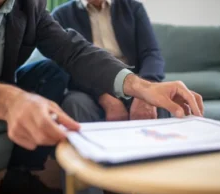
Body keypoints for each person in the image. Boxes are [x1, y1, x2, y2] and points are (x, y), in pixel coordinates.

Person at [0, 1, 203, 194]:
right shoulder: (64, 10)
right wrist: (5, 99)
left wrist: (143, 87)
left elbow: (73, 51)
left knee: (52, 70)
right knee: (74, 103)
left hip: (120, 79)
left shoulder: (32, 6)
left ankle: (20, 176)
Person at [28, 0, 170, 122]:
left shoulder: (133, 8)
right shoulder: (61, 15)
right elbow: (68, 64)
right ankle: (85, 153)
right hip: (89, 87)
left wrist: (146, 89)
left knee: (158, 100)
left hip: (133, 81)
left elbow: (151, 53)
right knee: (75, 103)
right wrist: (104, 96)